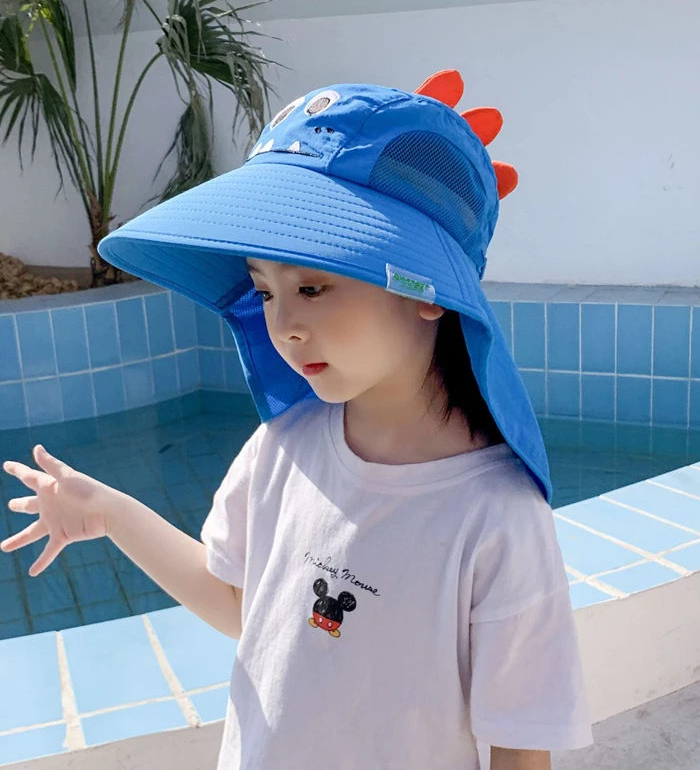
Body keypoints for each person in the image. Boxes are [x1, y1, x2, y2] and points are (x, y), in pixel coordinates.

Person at [1, 70, 593, 769]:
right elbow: (240, 607)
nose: (286, 325)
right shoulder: (283, 446)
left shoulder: (495, 515)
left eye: (313, 286)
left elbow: (522, 742)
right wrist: (112, 513)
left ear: (425, 291)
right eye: (264, 290)